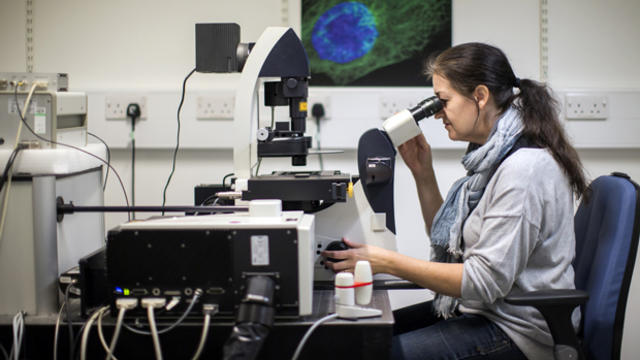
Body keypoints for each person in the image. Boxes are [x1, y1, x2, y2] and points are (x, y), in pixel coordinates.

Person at [322, 42, 588, 359]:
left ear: (480, 96)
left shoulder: (523, 169)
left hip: (520, 333)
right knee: (363, 341)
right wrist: (422, 172)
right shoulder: (489, 159)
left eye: (443, 101)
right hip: (483, 311)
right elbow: (449, 239)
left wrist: (385, 261)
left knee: (381, 354)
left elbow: (482, 281)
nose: (436, 114)